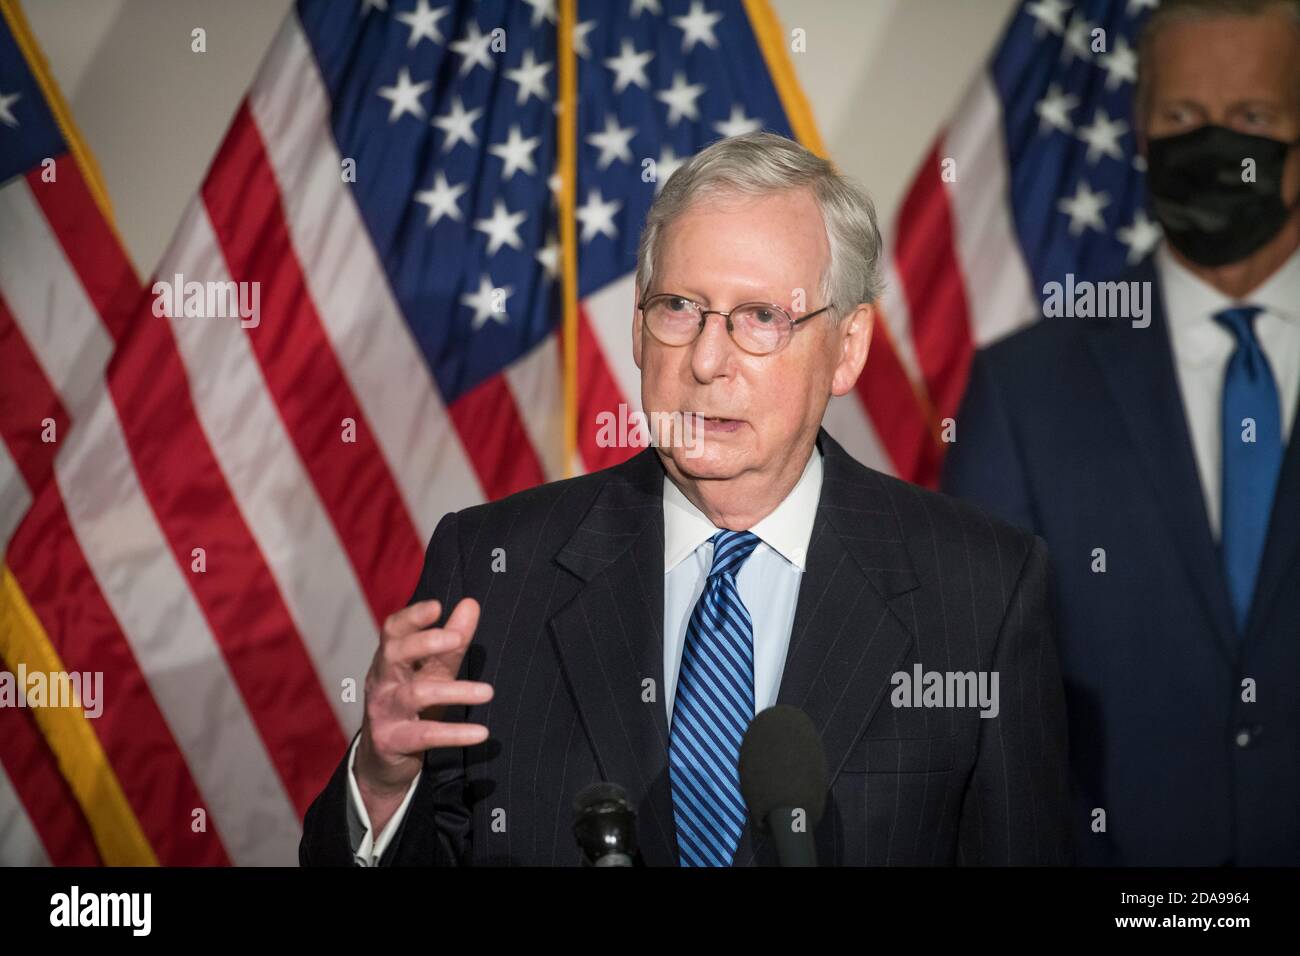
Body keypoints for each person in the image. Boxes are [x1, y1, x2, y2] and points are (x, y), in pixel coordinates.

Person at [301, 131, 1071, 866]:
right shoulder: (494, 570)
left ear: (849, 347)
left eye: (761, 318)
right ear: (638, 328)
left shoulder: (981, 593)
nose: (706, 361)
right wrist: (381, 782)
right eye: (678, 309)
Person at [944, 0, 1300, 865]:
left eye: (1252, 118)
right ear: (1140, 133)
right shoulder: (1023, 391)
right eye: (1182, 117)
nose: (1216, 145)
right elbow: (975, 707)